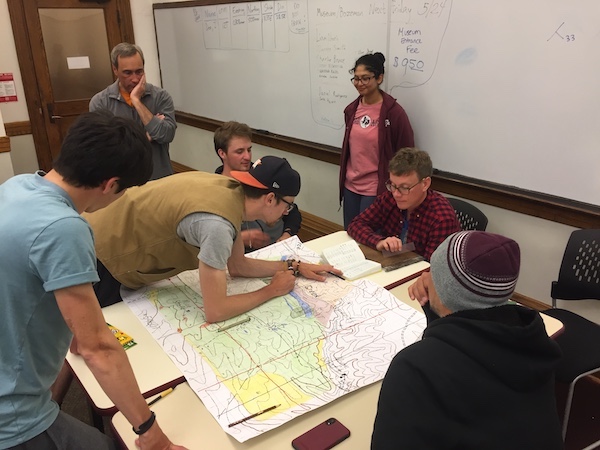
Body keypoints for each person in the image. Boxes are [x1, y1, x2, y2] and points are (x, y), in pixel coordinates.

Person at [0, 111, 185, 450]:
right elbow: (98, 348)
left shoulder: (19, 186)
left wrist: (70, 328)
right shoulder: (64, 228)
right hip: (11, 416)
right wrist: (151, 433)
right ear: (110, 184)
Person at [86, 156, 340, 323]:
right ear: (270, 199)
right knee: (92, 339)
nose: (288, 213)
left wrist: (293, 265)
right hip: (101, 253)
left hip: (105, 228)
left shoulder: (230, 192)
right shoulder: (218, 224)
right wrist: (272, 290)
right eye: (288, 206)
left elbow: (238, 266)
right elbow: (215, 311)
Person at [371, 231, 564, 450]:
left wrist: (439, 302)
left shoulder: (414, 366)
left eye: (432, 271)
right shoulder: (531, 337)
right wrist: (438, 306)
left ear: (444, 288)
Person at [340, 52, 414, 229]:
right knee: (350, 235)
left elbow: (407, 154)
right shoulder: (352, 110)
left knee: (370, 239)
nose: (360, 84)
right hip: (351, 186)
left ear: (379, 78)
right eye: (356, 79)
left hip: (376, 189)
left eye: (366, 78)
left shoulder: (394, 113)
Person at [347, 147, 460, 261]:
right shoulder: (389, 198)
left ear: (425, 184)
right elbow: (356, 224)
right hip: (392, 264)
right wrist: (378, 242)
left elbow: (432, 269)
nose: (396, 194)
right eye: (393, 185)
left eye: (404, 188)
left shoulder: (441, 219)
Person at [90, 42, 176, 180]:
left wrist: (136, 101)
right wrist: (146, 136)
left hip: (158, 179)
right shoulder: (100, 102)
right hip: (121, 183)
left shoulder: (160, 96)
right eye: (127, 73)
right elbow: (105, 149)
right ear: (115, 70)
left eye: (139, 71)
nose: (135, 79)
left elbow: (165, 135)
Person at [214, 121, 302, 252]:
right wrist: (239, 238)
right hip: (244, 254)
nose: (247, 156)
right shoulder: (217, 190)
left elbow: (292, 211)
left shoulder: (262, 173)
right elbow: (210, 237)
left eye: (249, 150)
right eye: (239, 151)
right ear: (222, 153)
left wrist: (286, 234)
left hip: (277, 249)